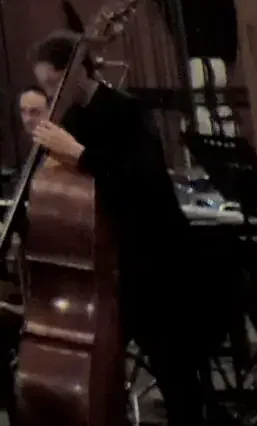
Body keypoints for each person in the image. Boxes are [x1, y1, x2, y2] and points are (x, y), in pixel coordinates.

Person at [27, 30, 211, 425]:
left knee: (172, 369)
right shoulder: (71, 119)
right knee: (102, 373)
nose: (52, 95)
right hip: (106, 266)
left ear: (80, 71)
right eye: (45, 87)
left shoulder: (128, 111)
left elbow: (143, 183)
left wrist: (79, 154)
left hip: (153, 260)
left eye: (55, 84)